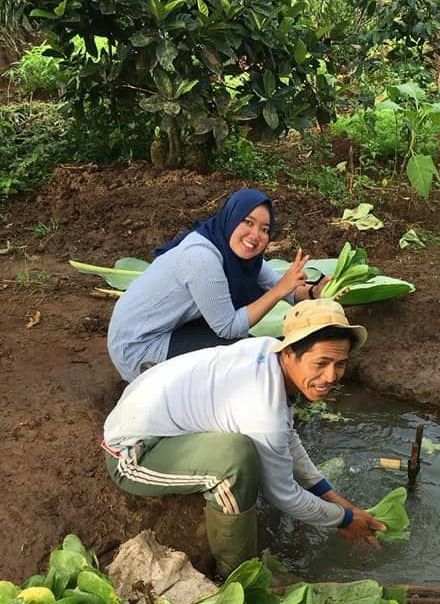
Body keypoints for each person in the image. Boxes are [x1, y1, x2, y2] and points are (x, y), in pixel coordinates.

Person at [102, 299, 385, 576]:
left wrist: (331, 495)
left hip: (153, 419)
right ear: (289, 353)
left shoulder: (266, 351)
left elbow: (287, 435)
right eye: (321, 363)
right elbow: (282, 494)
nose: (331, 376)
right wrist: (344, 520)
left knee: (244, 449)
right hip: (132, 453)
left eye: (340, 364)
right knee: (233, 464)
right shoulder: (262, 408)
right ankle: (236, 575)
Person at [107, 188, 326, 381]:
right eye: (248, 222)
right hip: (140, 348)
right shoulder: (202, 258)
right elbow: (228, 327)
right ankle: (157, 382)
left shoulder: (240, 255)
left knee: (251, 350)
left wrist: (315, 292)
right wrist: (279, 291)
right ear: (231, 218)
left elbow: (287, 289)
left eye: (264, 229)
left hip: (170, 329)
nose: (255, 235)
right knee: (249, 359)